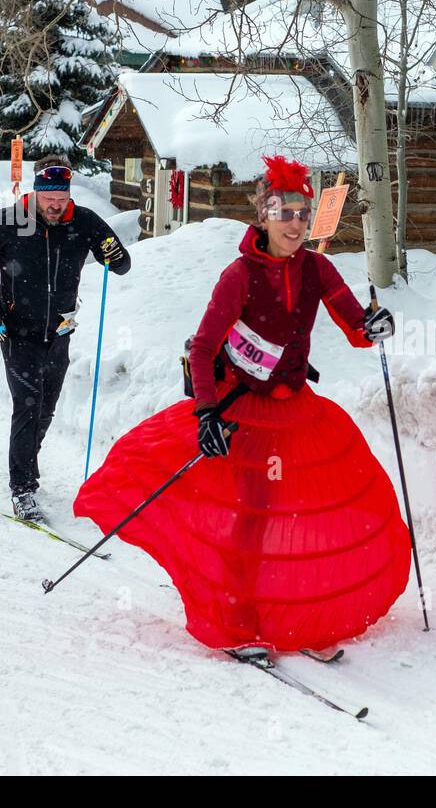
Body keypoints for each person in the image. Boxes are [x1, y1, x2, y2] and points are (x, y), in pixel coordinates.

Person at [74, 155, 409, 659]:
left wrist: (374, 326)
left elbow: (355, 325)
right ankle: (237, 623)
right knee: (249, 517)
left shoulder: (318, 268)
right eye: (284, 211)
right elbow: (205, 347)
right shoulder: (240, 275)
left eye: (302, 212)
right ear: (264, 215)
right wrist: (207, 414)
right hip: (241, 411)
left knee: (299, 514)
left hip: (296, 410)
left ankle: (297, 623)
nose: (294, 222)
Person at [0, 154, 131, 522]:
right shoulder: (9, 221)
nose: (56, 205)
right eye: (49, 198)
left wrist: (114, 255)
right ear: (36, 192)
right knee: (28, 404)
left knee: (46, 408)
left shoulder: (83, 221)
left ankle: (27, 465)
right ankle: (21, 489)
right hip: (16, 331)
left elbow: (121, 265)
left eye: (62, 198)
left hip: (60, 332)